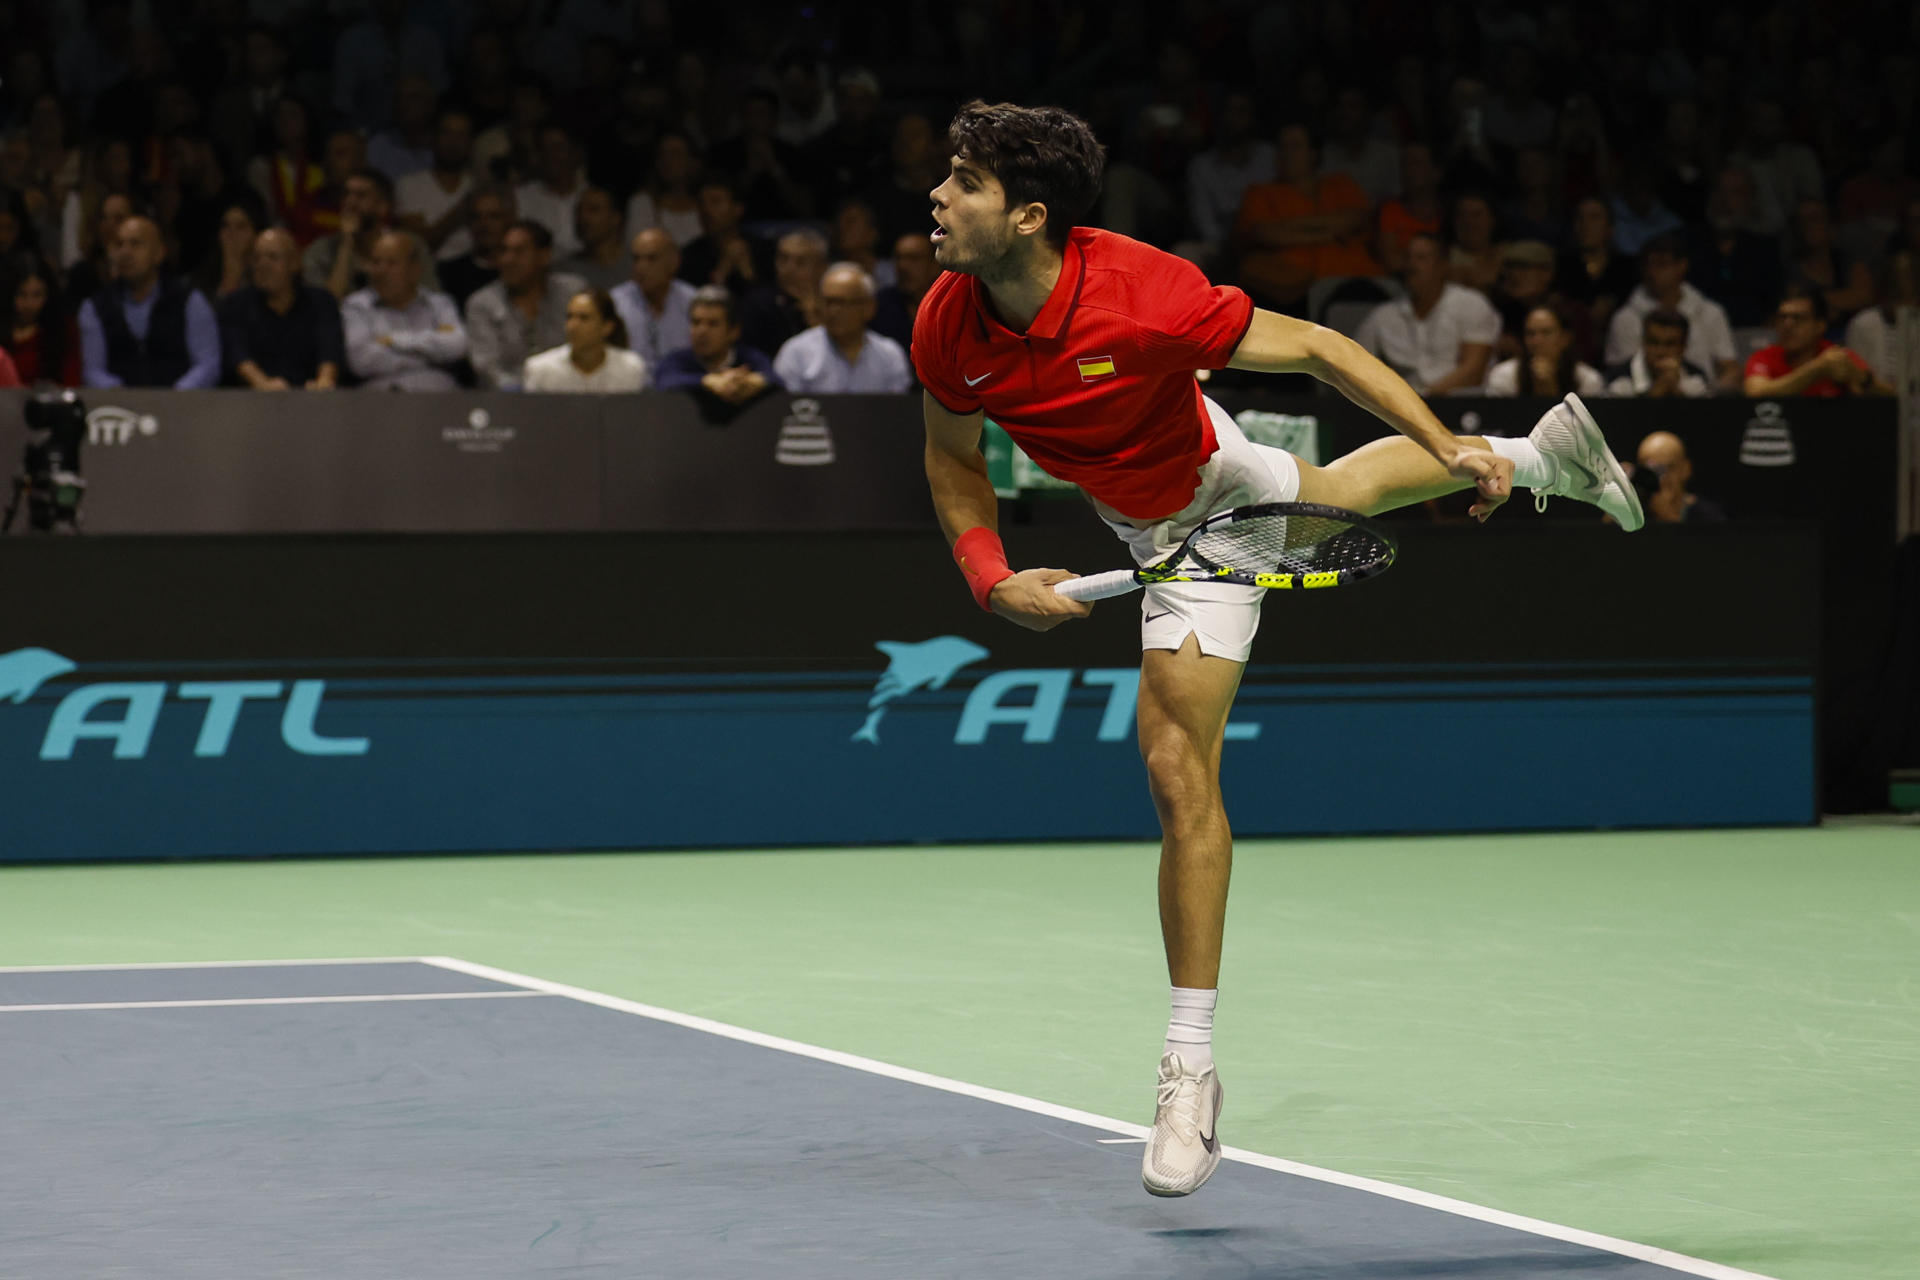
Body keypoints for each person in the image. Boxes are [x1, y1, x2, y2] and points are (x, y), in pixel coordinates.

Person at [916, 101, 1641, 1200]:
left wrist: (1444, 436)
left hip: (1213, 494)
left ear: (1027, 215)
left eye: (962, 182)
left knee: (1173, 765)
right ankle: (1537, 458)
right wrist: (990, 574)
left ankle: (1188, 1070)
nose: (938, 195)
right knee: (1344, 489)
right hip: (1138, 518)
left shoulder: (1141, 291)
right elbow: (953, 457)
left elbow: (1323, 349)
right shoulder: (945, 321)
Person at [1233, 123, 1381, 311]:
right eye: (1282, 147)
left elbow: (1355, 219)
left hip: (1353, 280)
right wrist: (1327, 235)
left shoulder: (1341, 184)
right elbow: (1265, 233)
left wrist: (1290, 227)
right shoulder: (1260, 192)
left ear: (1313, 153)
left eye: (1295, 146)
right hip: (1288, 292)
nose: (1287, 153)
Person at [77, 216, 221, 389]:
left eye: (135, 244)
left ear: (159, 253)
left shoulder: (189, 300)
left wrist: (174, 397)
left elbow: (207, 366)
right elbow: (92, 371)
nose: (125, 252)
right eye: (119, 245)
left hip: (182, 407)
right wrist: (126, 398)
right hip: (117, 410)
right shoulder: (95, 306)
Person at [1354, 232, 1500, 395]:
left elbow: (1474, 371)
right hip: (1401, 407)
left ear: (1443, 266)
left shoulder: (1471, 304)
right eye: (1408, 257)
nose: (1411, 265)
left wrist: (1425, 397)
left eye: (1421, 258)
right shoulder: (1383, 316)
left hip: (1460, 403)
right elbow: (1356, 367)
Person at [1603, 233, 1738, 392]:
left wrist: (1706, 395)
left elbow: (1730, 367)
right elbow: (1617, 376)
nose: (1652, 272)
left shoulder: (1712, 313)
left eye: (1661, 264)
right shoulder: (1624, 318)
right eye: (1648, 265)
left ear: (1682, 266)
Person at [464, 218, 586, 390]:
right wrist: (527, 392)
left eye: (519, 252)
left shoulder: (573, 294)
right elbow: (486, 368)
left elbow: (588, 348)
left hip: (570, 393)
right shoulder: (483, 303)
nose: (508, 260)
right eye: (504, 251)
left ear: (544, 256)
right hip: (507, 402)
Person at [218, 228, 345, 390]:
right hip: (252, 399)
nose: (262, 264)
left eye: (273, 257)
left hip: (311, 398)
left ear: (294, 262)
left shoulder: (321, 302)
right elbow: (238, 354)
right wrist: (262, 383)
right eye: (256, 258)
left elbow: (330, 349)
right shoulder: (235, 304)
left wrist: (325, 381)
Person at [341, 229, 466, 391]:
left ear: (414, 270)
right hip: (381, 399)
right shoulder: (356, 306)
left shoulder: (439, 304)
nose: (381, 270)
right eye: (376, 262)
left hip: (440, 397)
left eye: (391, 263)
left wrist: (393, 340)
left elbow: (458, 346)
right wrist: (429, 358)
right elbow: (361, 361)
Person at [772, 262, 912, 394]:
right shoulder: (795, 352)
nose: (834, 311)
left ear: (869, 307)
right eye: (828, 302)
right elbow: (783, 409)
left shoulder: (890, 354)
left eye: (842, 303)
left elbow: (899, 410)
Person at [1743, 285, 1891, 398]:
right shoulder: (1764, 357)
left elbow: (1891, 397)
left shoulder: (1836, 356)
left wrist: (1860, 377)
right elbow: (1756, 392)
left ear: (1819, 326)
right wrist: (1817, 369)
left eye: (1798, 319)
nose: (1788, 325)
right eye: (1783, 318)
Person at [652, 283, 780, 407]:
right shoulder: (676, 360)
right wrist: (709, 381)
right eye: (696, 322)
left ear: (734, 331)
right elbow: (664, 381)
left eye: (712, 324)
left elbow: (777, 380)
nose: (702, 331)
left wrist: (751, 382)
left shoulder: (749, 358)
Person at [523, 288, 647, 393]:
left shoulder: (631, 368)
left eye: (584, 318)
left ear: (607, 327)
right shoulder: (540, 370)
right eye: (569, 317)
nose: (572, 326)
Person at [393, 107, 476, 262]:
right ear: (433, 137)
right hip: (426, 271)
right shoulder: (409, 185)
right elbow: (418, 244)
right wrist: (462, 211)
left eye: (461, 135)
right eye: (446, 132)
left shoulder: (478, 187)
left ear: (471, 142)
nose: (453, 142)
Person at [609, 227, 696, 372]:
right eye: (636, 259)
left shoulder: (694, 302)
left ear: (674, 262)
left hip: (683, 389)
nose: (641, 267)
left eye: (651, 258)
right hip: (631, 390)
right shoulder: (614, 303)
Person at [677, 177, 772, 295]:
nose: (706, 210)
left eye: (715, 202)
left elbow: (773, 303)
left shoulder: (765, 250)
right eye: (701, 203)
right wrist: (721, 272)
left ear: (738, 209)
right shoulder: (689, 256)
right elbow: (689, 303)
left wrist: (748, 273)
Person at [740, 229, 828, 357]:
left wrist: (815, 322)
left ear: (822, 268)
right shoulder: (758, 304)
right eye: (783, 259)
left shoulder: (836, 304)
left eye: (800, 262)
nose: (789, 269)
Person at [1484, 304, 1604, 398]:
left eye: (1546, 333)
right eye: (1530, 334)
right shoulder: (1504, 375)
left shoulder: (1588, 380)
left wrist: (1550, 388)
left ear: (1565, 338)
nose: (1536, 341)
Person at [2, 257, 82, 386]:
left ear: (48, 295)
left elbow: (72, 382)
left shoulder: (64, 330)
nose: (29, 304)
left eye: (37, 295)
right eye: (21, 294)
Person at [1843, 251, 1917, 385]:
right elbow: (1857, 380)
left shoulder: (1916, 323)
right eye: (1896, 296)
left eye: (1906, 297)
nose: (1900, 306)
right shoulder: (1862, 324)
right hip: (1873, 401)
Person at [516, 123, 587, 259]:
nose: (551, 156)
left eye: (558, 148)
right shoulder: (522, 197)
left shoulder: (592, 197)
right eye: (544, 149)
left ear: (575, 153)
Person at [1604, 310, 1712, 398]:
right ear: (1643, 342)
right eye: (1653, 342)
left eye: (1670, 344)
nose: (1661, 351)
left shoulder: (1696, 379)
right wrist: (1656, 392)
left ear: (1683, 347)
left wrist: (1677, 392)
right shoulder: (1619, 380)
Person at [438, 185, 510, 312]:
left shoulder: (524, 271)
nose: (484, 224)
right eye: (476, 216)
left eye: (493, 216)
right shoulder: (449, 274)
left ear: (509, 220)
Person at [1632, 431, 1726, 524]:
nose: (1659, 479)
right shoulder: (1634, 511)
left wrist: (1668, 516)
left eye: (1664, 468)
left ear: (1685, 469)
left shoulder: (1708, 516)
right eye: (1648, 471)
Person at [557, 187, 631, 292]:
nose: (583, 217)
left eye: (593, 209)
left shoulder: (637, 264)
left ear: (615, 218)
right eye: (578, 211)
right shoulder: (564, 271)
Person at [872, 230, 937, 350]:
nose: (903, 266)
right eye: (898, 258)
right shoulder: (879, 306)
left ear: (934, 265)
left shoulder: (952, 306)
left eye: (913, 258)